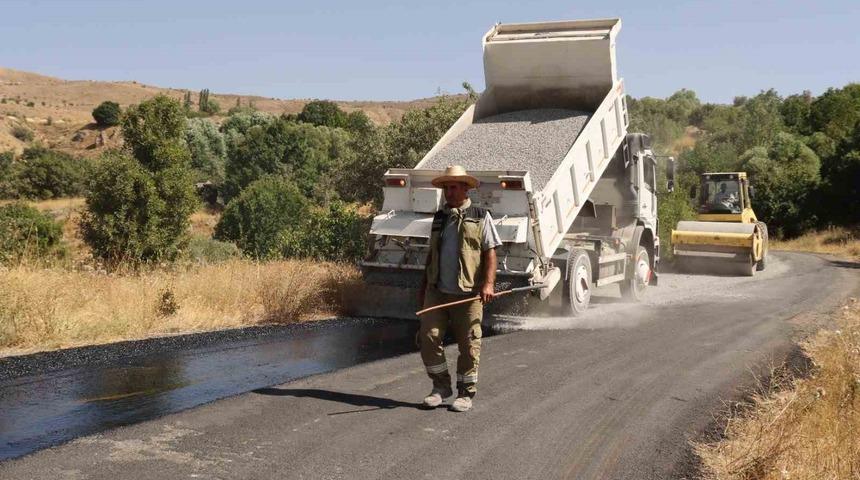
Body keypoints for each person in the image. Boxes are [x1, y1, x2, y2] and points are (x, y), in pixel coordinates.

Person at [418, 165, 502, 413]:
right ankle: (441, 387)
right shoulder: (439, 218)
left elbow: (491, 252)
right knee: (429, 338)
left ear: (466, 189)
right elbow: (431, 257)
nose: (448, 192)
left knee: (469, 344)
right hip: (437, 291)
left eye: (453, 187)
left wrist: (488, 284)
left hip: (469, 294)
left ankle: (465, 393)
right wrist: (422, 290)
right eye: (446, 187)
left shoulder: (480, 215)